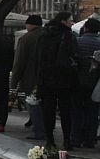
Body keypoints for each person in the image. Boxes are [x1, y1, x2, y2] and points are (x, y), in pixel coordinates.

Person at [35, 11, 77, 151]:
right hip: (65, 79)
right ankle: (67, 140)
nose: (72, 22)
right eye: (70, 20)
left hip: (46, 79)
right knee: (66, 111)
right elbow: (74, 57)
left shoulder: (44, 36)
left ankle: (50, 140)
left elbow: (39, 59)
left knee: (48, 110)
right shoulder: (69, 36)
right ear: (63, 21)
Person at [10, 15, 44, 140]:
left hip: (31, 78)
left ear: (30, 24)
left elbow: (19, 62)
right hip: (50, 78)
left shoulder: (26, 38)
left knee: (33, 105)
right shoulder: (48, 35)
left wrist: (13, 83)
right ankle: (47, 130)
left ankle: (39, 131)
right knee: (45, 106)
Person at [72, 17, 100, 148]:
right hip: (95, 83)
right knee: (93, 112)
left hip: (78, 81)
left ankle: (76, 138)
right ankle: (90, 139)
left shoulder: (77, 41)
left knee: (77, 110)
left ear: (86, 28)